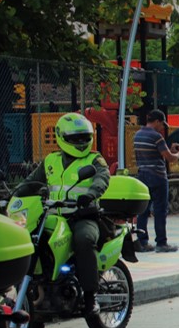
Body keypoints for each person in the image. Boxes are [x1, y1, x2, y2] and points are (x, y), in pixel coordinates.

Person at [14, 112, 110, 316]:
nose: (81, 142)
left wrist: (91, 194)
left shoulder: (95, 158)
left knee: (84, 240)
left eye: (84, 137)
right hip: (51, 217)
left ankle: (91, 297)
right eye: (74, 138)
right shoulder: (50, 160)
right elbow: (30, 183)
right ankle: (34, 316)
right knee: (27, 242)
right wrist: (11, 197)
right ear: (61, 137)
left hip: (82, 216)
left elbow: (102, 179)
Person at [133, 109, 179, 253]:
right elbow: (170, 158)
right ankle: (161, 243)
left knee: (143, 211)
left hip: (142, 175)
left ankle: (142, 242)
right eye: (162, 124)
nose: (162, 127)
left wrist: (169, 149)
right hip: (157, 177)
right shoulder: (156, 137)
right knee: (160, 210)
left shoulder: (137, 135)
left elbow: (156, 154)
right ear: (157, 121)